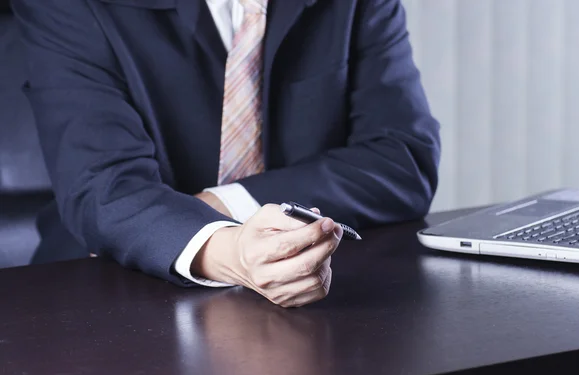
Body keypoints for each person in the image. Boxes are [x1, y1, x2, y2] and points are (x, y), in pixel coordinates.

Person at [13, 0, 440, 307]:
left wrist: (217, 204)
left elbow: (404, 159)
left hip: (318, 293)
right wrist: (233, 251)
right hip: (104, 293)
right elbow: (104, 188)